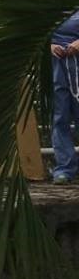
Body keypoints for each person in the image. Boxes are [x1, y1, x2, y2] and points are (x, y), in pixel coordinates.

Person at [50, 9, 79, 184]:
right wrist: (50, 46)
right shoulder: (48, 6)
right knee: (60, 115)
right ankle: (64, 168)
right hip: (58, 64)